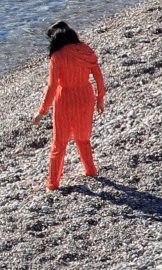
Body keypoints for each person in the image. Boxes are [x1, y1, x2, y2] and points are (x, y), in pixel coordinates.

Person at [32, 20, 106, 191]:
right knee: (83, 138)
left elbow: (51, 87)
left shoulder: (57, 56)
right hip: (85, 96)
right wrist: (100, 98)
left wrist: (41, 111)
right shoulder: (86, 49)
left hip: (65, 98)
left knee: (59, 143)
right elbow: (98, 76)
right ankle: (90, 170)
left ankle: (53, 183)